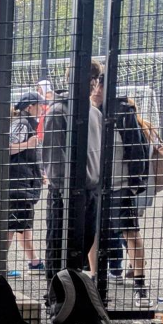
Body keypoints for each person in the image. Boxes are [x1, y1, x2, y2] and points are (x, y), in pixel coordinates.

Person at [91, 81, 150, 306]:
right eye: (94, 85)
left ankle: (140, 285)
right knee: (94, 235)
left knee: (131, 234)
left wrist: (135, 183)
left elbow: (138, 149)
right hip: (94, 186)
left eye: (102, 86)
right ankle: (96, 282)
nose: (97, 90)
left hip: (120, 185)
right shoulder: (84, 111)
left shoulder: (124, 113)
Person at [43, 62, 103, 278]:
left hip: (91, 192)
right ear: (70, 80)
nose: (92, 83)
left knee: (83, 246)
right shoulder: (58, 112)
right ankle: (56, 298)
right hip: (64, 194)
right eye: (86, 78)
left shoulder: (95, 113)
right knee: (59, 249)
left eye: (94, 78)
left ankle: (75, 295)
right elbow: (54, 159)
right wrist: (66, 193)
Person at [7, 92, 45, 277]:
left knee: (23, 224)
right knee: (11, 226)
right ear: (30, 106)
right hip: (18, 184)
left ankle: (34, 262)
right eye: (39, 104)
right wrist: (27, 145)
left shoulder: (25, 122)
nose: (42, 108)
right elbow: (5, 148)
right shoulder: (22, 123)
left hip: (23, 181)